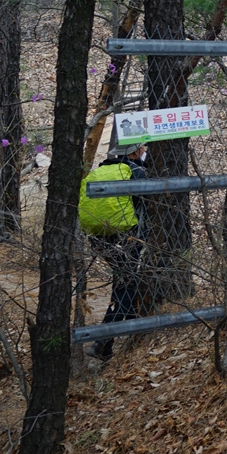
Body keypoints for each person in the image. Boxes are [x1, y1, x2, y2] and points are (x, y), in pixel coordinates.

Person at [80, 143, 148, 361]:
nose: (145, 151)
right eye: (143, 148)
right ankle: (102, 341)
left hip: (99, 238)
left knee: (125, 281)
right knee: (126, 285)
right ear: (135, 152)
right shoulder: (137, 172)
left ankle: (117, 338)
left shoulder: (100, 170)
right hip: (126, 237)